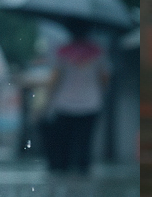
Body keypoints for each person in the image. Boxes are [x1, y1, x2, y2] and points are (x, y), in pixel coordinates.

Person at [42, 25, 107, 174]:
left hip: (65, 104)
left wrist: (47, 102)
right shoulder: (98, 52)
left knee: (64, 141)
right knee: (85, 142)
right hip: (91, 103)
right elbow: (104, 77)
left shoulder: (63, 51)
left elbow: (55, 79)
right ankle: (83, 171)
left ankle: (64, 171)